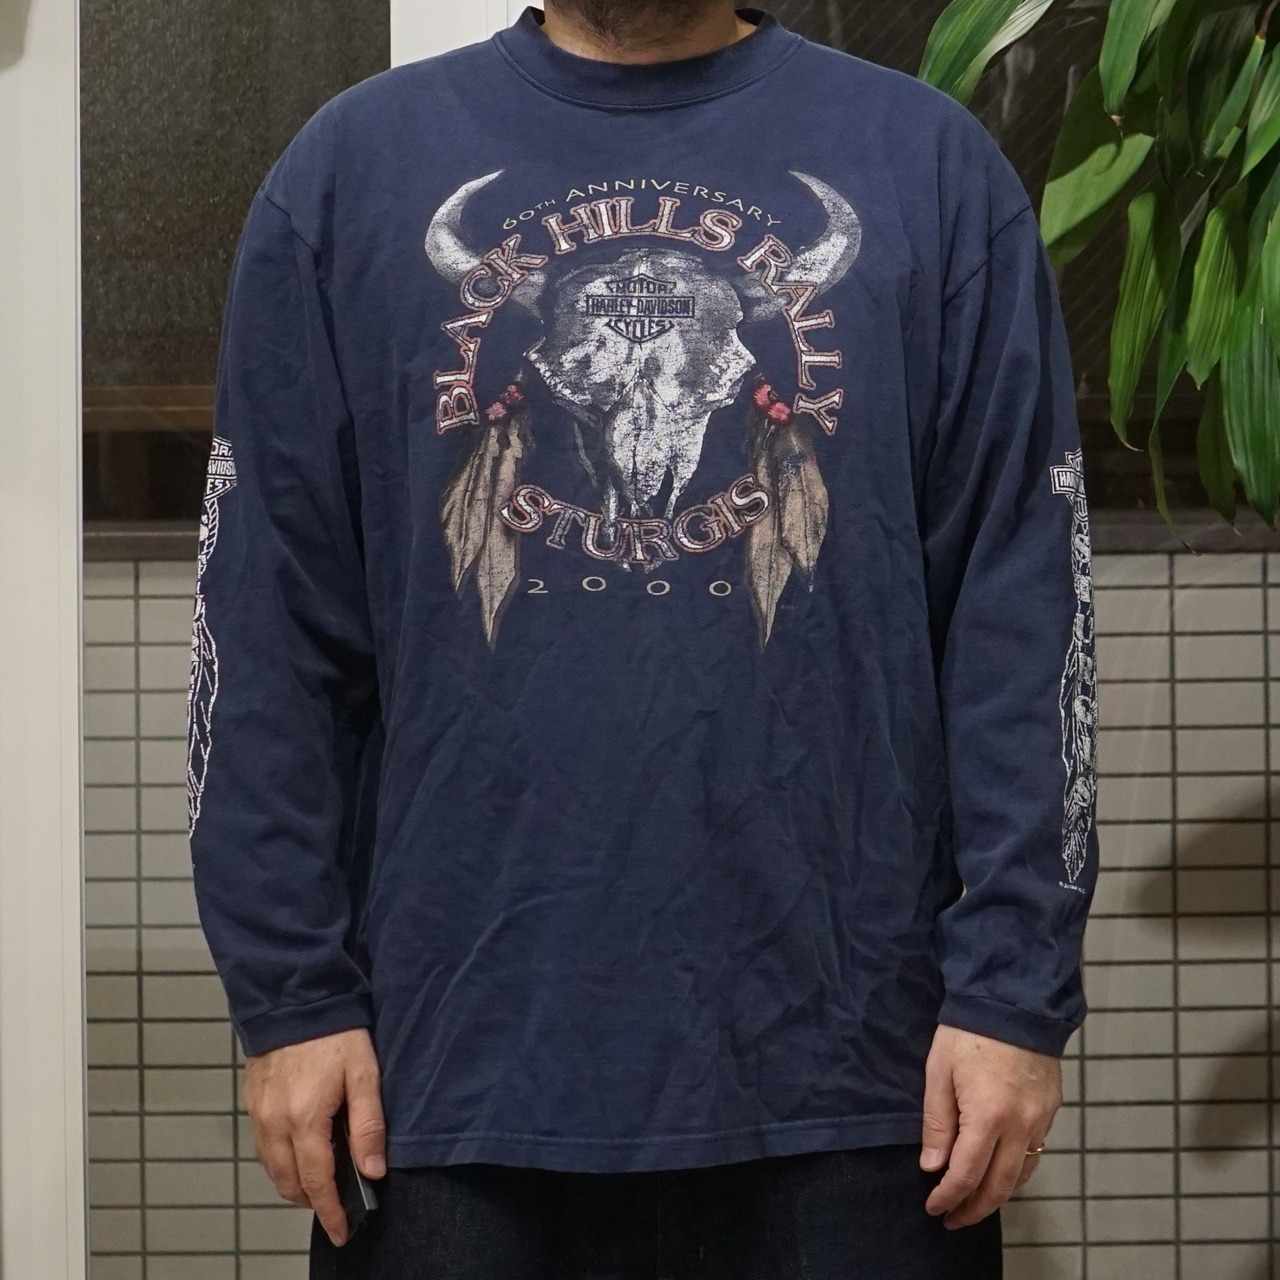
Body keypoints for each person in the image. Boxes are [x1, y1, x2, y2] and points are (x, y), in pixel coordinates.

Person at [186, 2, 1100, 1276]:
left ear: (734, 376)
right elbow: (269, 626)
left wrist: (1009, 991)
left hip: (859, 1072)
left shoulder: (927, 169)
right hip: (445, 1072)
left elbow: (1018, 611)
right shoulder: (350, 176)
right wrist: (292, 996)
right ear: (551, 375)